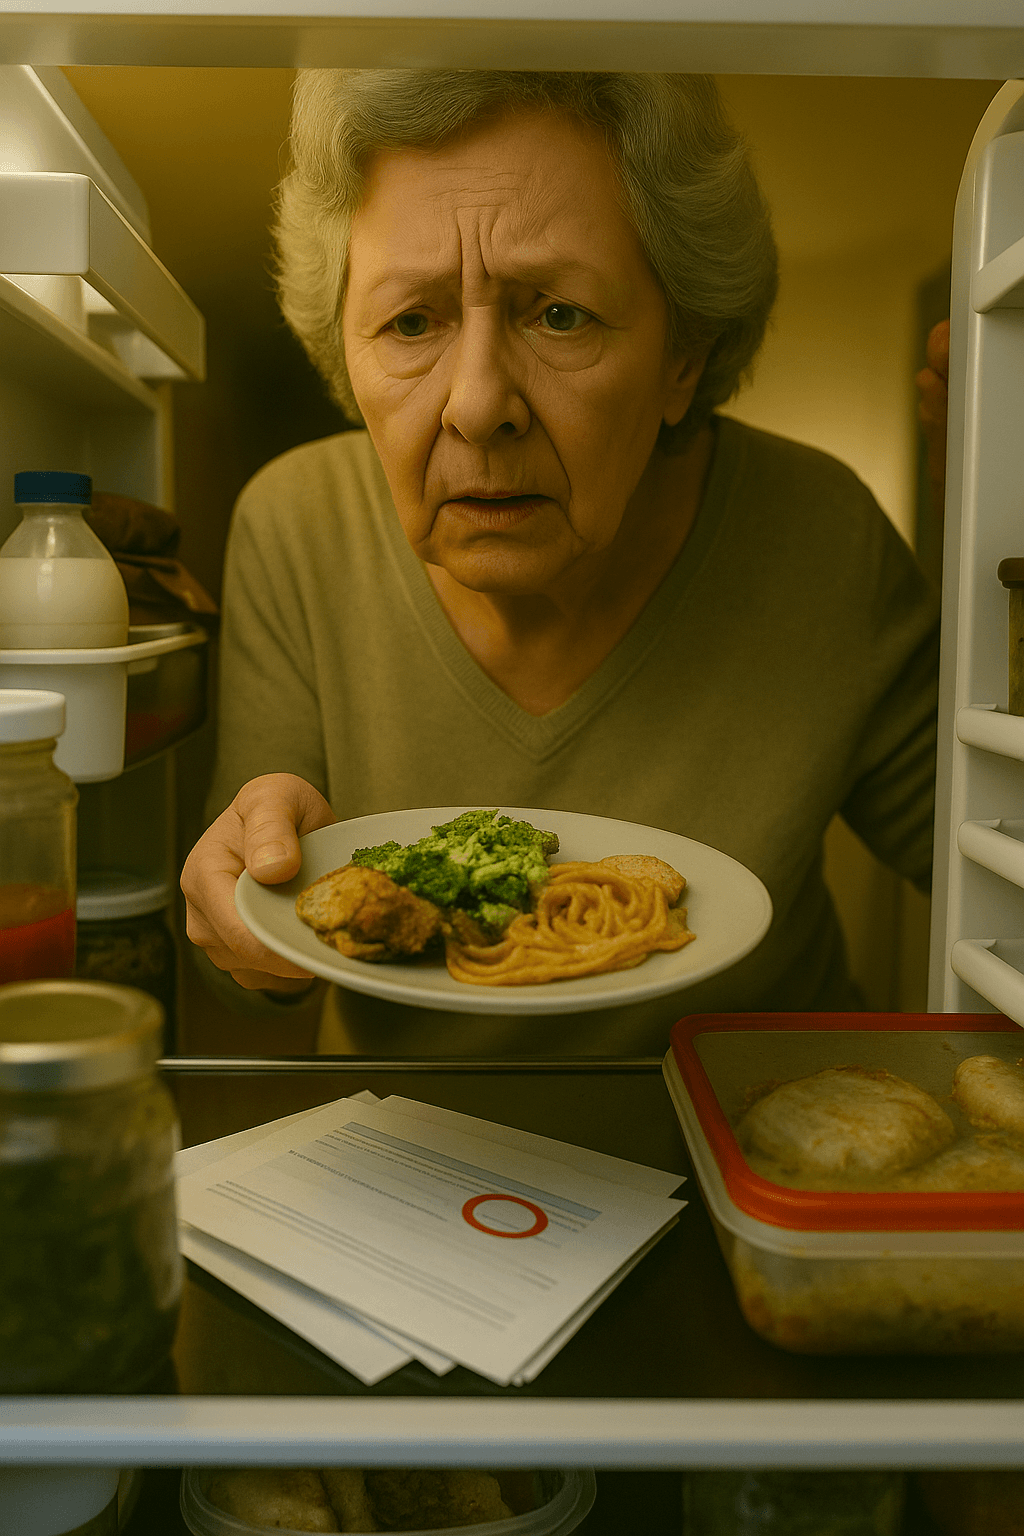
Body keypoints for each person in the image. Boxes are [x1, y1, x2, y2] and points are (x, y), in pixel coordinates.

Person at [181, 69, 946, 1056]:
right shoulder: (296, 525)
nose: (476, 406)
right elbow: (247, 976)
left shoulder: (822, 533)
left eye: (559, 315)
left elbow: (992, 872)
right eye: (411, 322)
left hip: (757, 1125)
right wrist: (250, 917)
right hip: (407, 1140)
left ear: (681, 355)